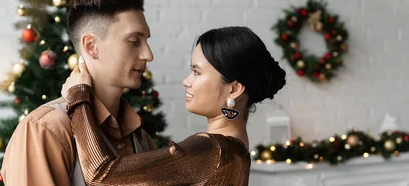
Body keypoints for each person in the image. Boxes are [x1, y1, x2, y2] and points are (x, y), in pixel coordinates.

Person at [62, 26, 287, 185]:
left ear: (235, 89)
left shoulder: (211, 151)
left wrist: (78, 96)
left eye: (197, 72)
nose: (186, 80)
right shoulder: (237, 149)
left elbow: (101, 175)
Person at [0, 0, 158, 185]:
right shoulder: (45, 130)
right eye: (133, 42)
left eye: (146, 40)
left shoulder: (140, 138)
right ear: (91, 46)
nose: (148, 54)